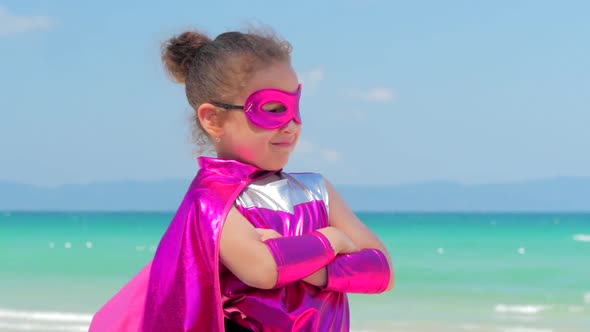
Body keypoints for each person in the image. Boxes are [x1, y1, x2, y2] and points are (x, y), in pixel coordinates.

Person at [89, 28, 394, 332]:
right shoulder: (212, 202)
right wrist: (333, 240)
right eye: (273, 109)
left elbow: (382, 271)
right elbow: (262, 269)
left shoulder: (316, 190)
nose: (290, 124)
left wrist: (304, 260)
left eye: (294, 107)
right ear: (214, 119)